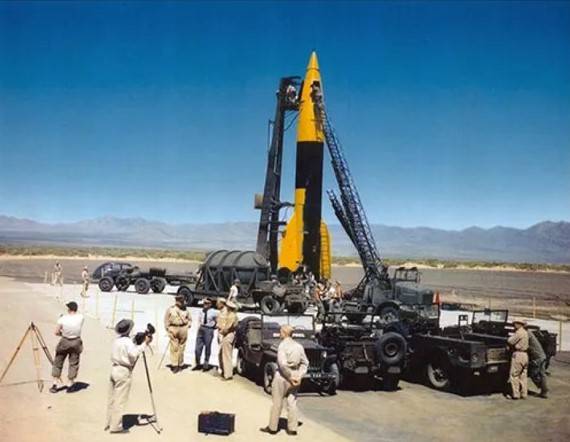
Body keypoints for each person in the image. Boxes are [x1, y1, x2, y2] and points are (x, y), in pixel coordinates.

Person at [260, 325, 308, 436]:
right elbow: (305, 363)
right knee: (292, 402)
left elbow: (282, 364)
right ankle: (292, 428)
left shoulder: (282, 346)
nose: (279, 333)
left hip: (282, 376)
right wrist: (299, 375)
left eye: (281, 331)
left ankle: (273, 427)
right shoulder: (299, 346)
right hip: (295, 375)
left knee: (277, 402)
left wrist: (289, 376)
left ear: (284, 333)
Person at [105, 319, 151, 434]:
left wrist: (137, 343)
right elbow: (133, 354)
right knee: (120, 399)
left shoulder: (117, 340)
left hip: (114, 369)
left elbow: (128, 350)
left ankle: (109, 422)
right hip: (123, 371)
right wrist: (144, 344)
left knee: (112, 398)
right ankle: (116, 427)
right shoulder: (127, 342)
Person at [50, 301, 84, 393]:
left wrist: (62, 332)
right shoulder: (80, 318)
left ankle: (55, 384)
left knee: (58, 362)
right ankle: (70, 384)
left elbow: (56, 332)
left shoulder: (63, 319)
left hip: (65, 340)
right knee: (73, 363)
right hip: (76, 341)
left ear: (69, 309)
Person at [164, 294, 191, 373]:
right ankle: (174, 365)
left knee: (182, 347)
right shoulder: (171, 309)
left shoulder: (185, 310)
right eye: (179, 301)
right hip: (173, 328)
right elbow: (166, 319)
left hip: (183, 329)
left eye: (182, 301)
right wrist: (167, 328)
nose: (180, 303)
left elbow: (190, 319)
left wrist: (188, 325)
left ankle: (180, 363)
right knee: (174, 347)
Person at [507, 319, 529, 400]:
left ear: (519, 324)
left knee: (514, 375)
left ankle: (515, 394)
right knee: (523, 376)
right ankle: (524, 393)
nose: (514, 325)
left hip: (518, 354)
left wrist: (510, 337)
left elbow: (510, 341)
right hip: (525, 355)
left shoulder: (519, 332)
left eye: (515, 323)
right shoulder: (525, 332)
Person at [194, 298, 219, 371]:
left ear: (210, 304)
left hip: (209, 330)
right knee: (197, 348)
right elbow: (199, 320)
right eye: (204, 303)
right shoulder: (201, 311)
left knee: (207, 347)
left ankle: (206, 363)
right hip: (201, 329)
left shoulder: (214, 312)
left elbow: (218, 320)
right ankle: (198, 363)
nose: (205, 305)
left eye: (207, 303)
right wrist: (198, 329)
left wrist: (214, 326)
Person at [218, 300, 238, 380]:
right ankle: (225, 371)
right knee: (223, 354)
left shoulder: (231, 316)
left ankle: (228, 374)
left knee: (226, 355)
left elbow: (227, 328)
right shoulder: (232, 315)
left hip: (228, 335)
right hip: (229, 335)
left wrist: (221, 331)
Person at [528, 329, 549, 398]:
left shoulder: (526, 334)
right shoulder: (530, 333)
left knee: (533, 373)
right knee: (542, 374)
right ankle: (544, 390)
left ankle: (542, 387)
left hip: (537, 357)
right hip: (542, 356)